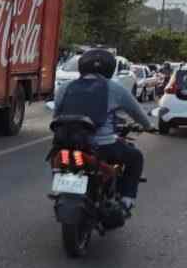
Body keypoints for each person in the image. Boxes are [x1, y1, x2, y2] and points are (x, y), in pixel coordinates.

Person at [53, 48, 153, 212]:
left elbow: (56, 115)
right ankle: (126, 200)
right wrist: (149, 126)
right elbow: (136, 112)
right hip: (102, 146)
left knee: (60, 163)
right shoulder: (114, 88)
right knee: (135, 157)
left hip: (66, 144)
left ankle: (61, 189)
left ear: (82, 66)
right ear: (109, 68)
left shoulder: (65, 87)